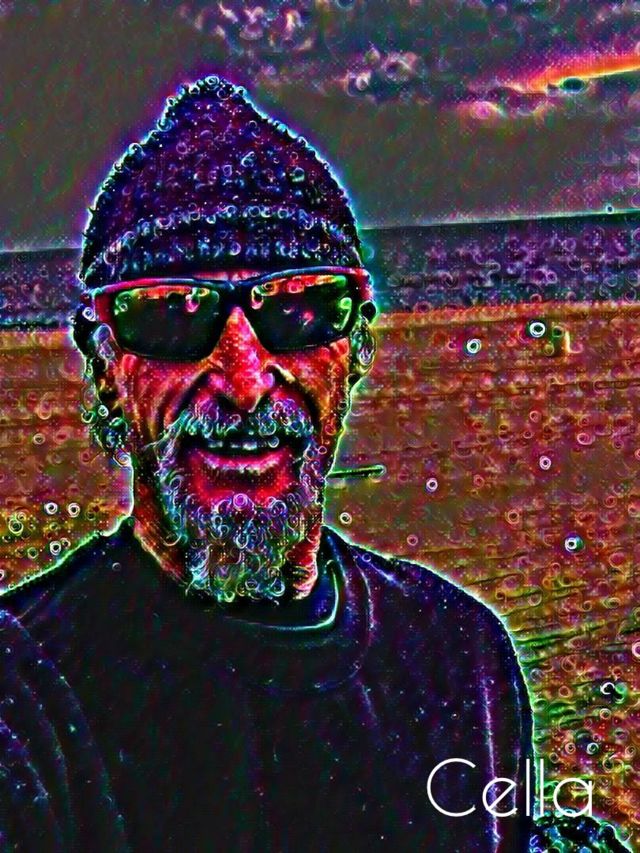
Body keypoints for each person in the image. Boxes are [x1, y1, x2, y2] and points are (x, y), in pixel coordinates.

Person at [0, 76, 533, 852]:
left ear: (357, 348)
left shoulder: (463, 657)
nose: (245, 383)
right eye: (173, 314)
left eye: (298, 308)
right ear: (104, 366)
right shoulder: (25, 702)